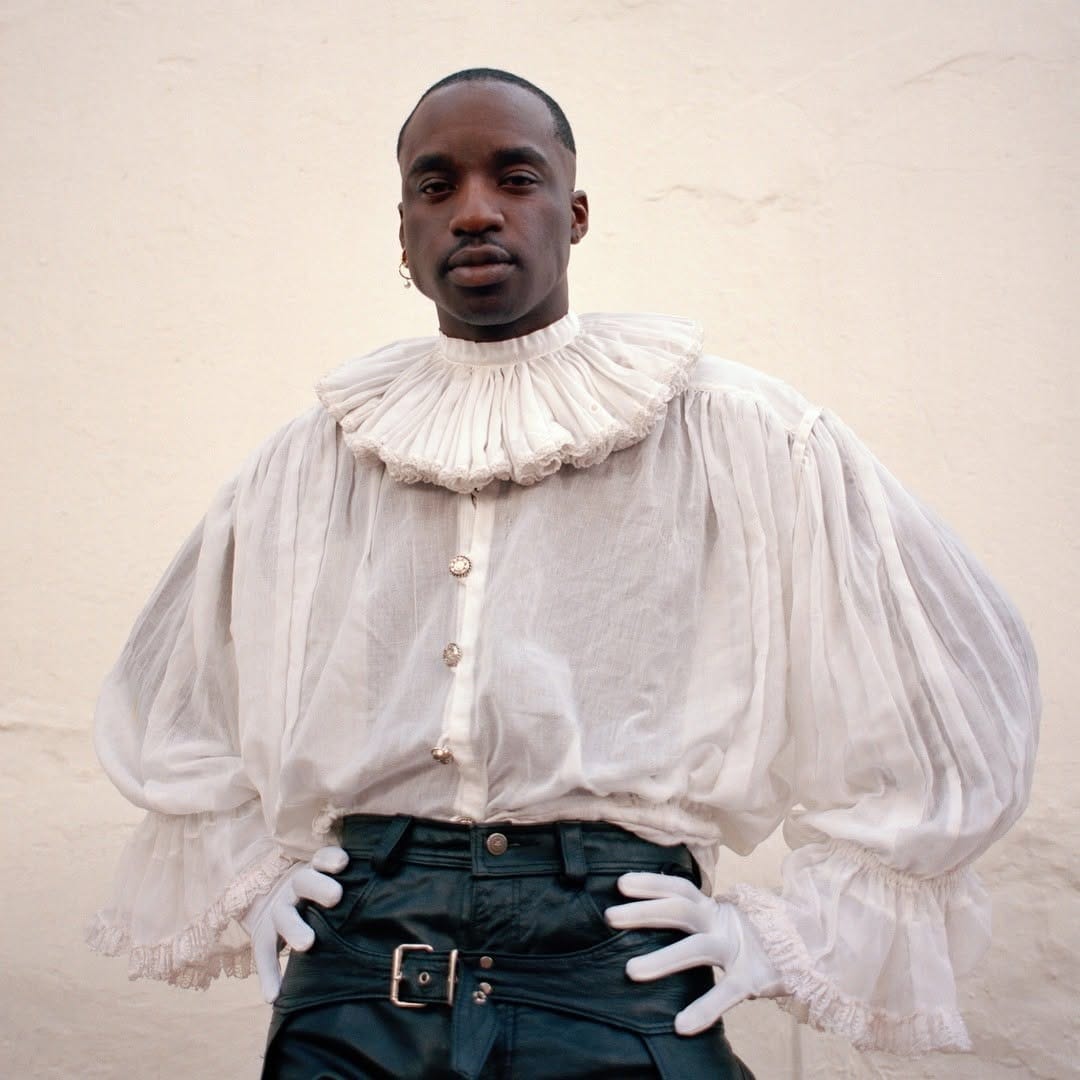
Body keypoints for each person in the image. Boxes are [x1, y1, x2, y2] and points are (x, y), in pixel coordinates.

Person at [88, 68, 1040, 1078]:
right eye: (435, 186)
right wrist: (252, 877)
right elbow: (174, 688)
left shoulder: (737, 433)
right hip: (356, 978)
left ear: (575, 213)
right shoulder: (311, 461)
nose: (475, 211)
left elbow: (953, 667)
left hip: (613, 972)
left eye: (516, 177)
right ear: (403, 232)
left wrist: (775, 935)